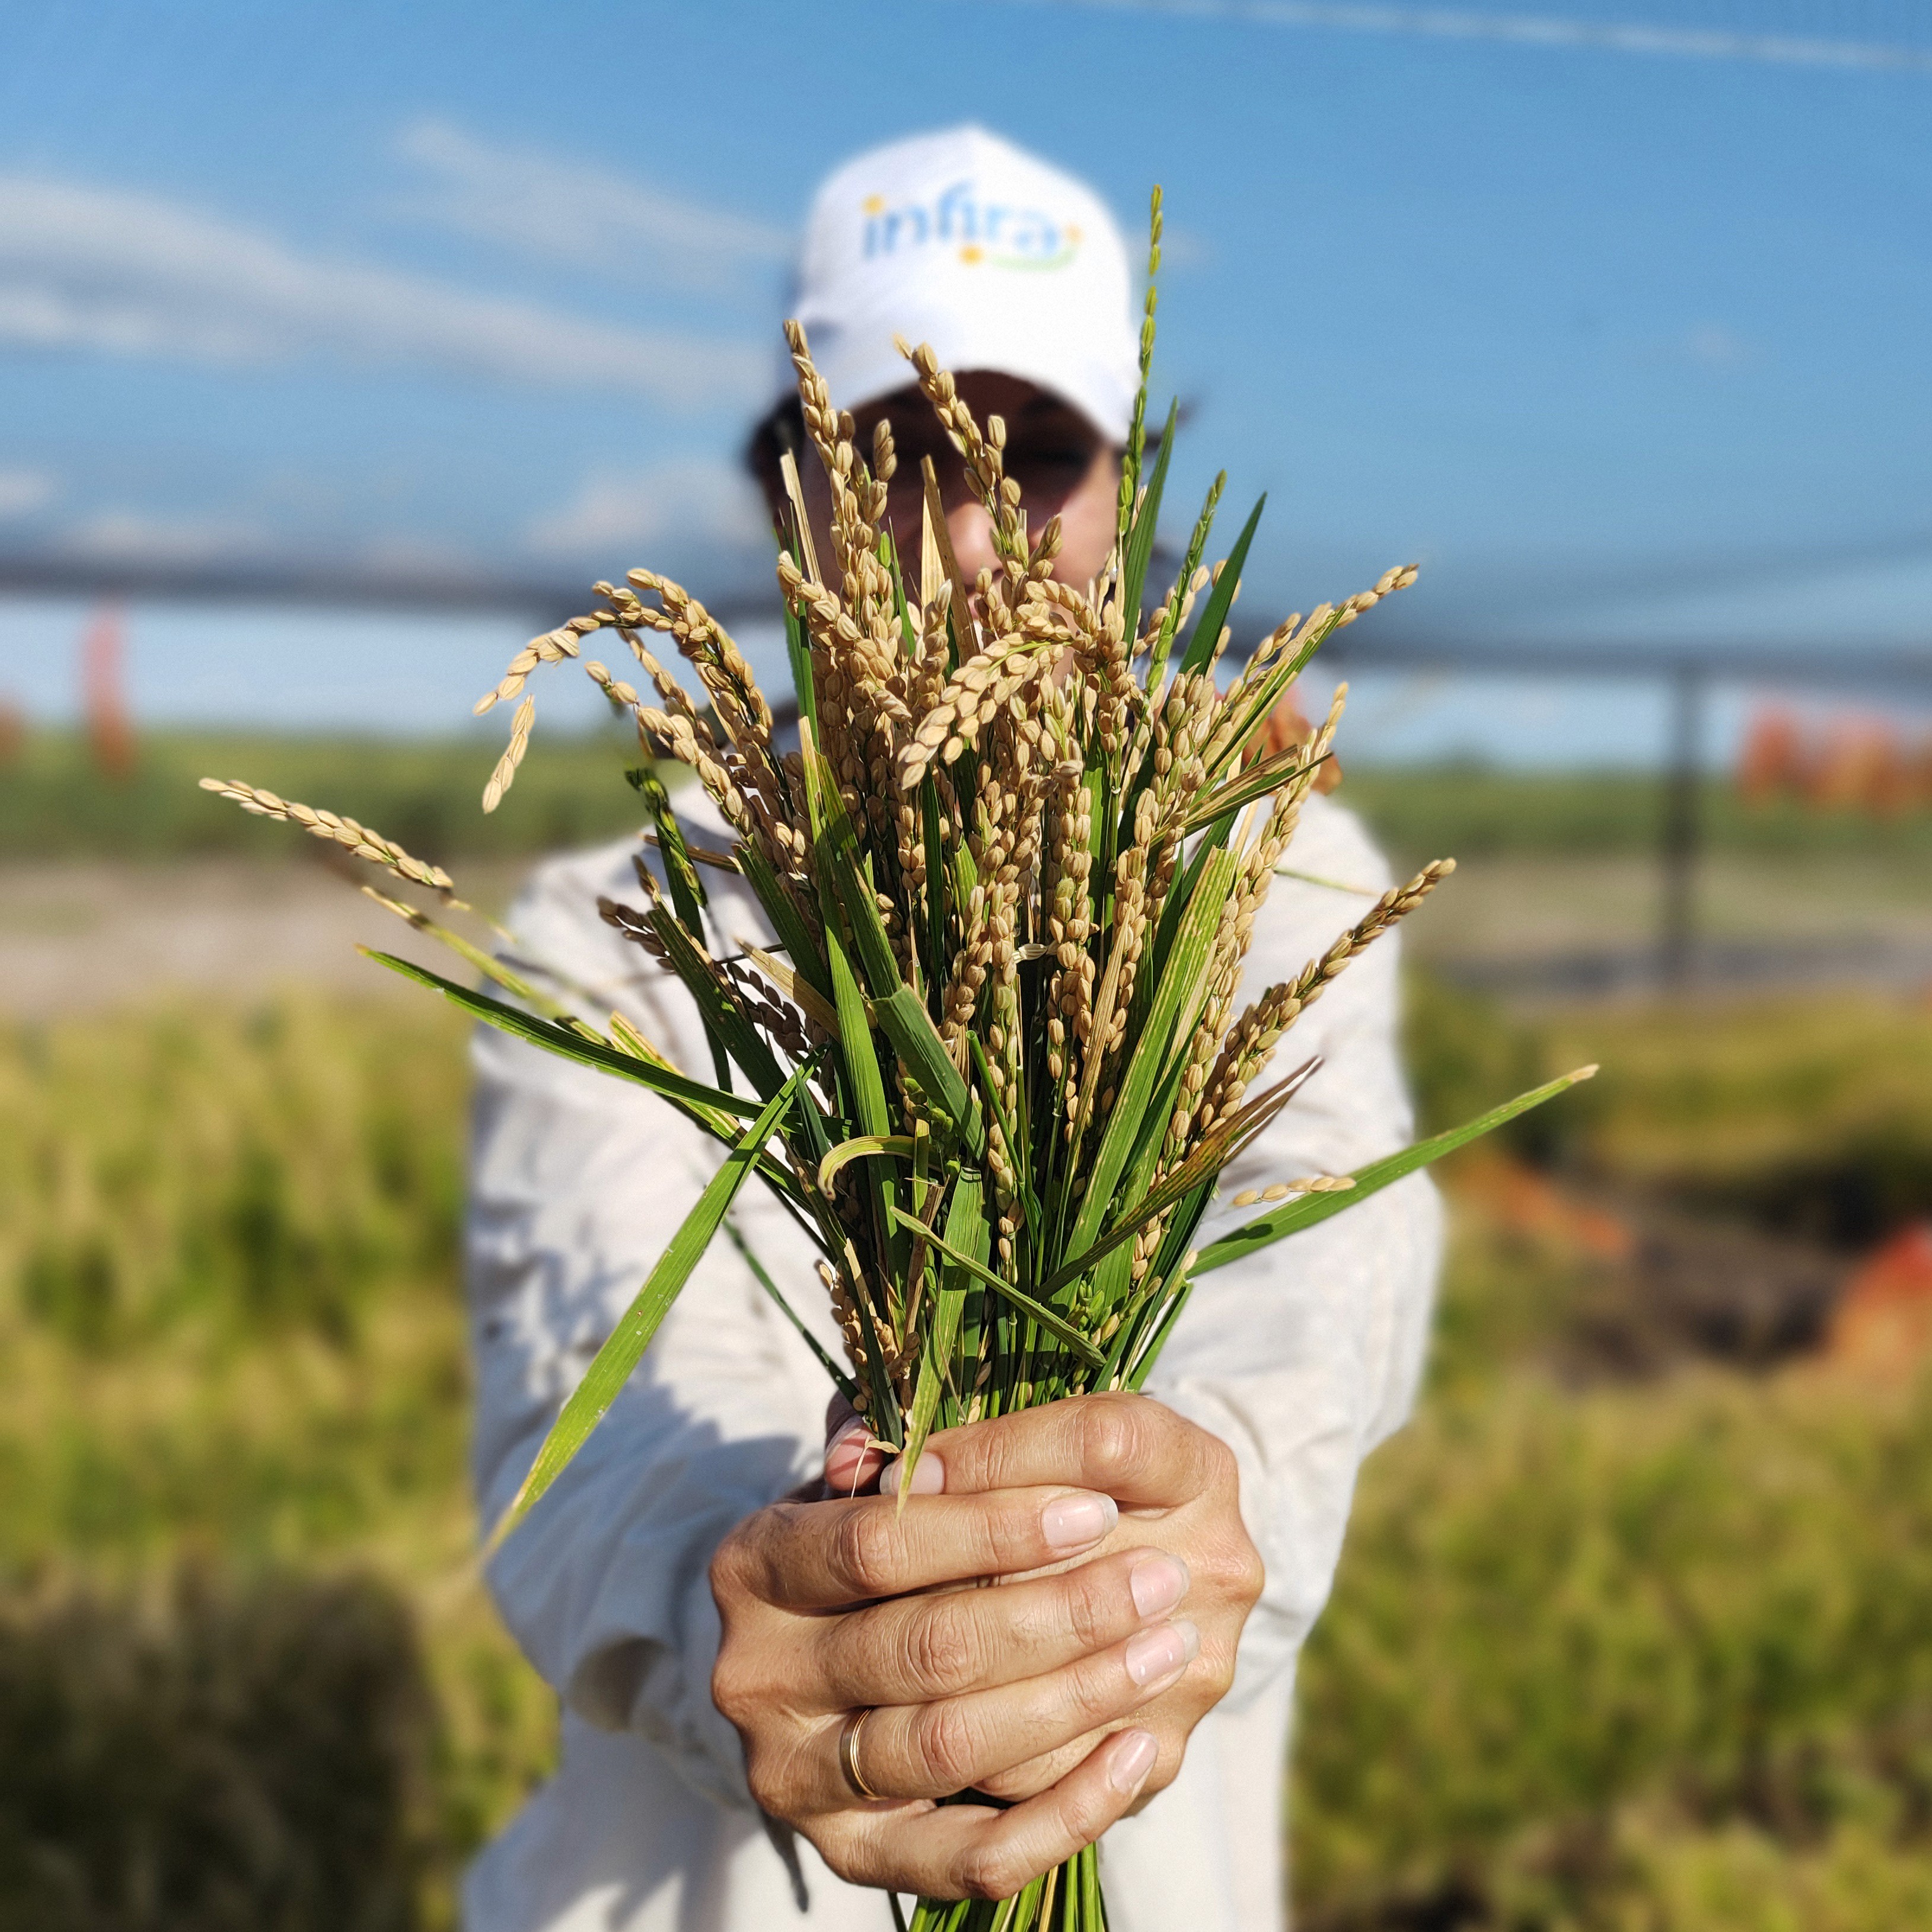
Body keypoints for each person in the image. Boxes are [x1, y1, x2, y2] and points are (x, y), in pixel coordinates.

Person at [463, 126, 1442, 1932]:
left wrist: (1157, 1529)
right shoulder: (622, 926)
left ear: (1125, 495)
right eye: (893, 453)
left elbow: (1320, 1281)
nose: (969, 533)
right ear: (790, 494)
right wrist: (743, 1596)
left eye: (1035, 457)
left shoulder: (1266, 881)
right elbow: (575, 1410)